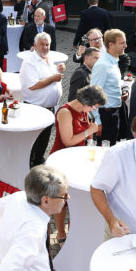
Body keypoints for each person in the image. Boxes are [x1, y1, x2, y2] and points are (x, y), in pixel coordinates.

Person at [0, 165, 68, 271]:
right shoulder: (34, 229)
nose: (67, 198)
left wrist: (4, 234)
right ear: (46, 201)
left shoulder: (19, 196)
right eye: (63, 196)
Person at [50, 86, 105, 243]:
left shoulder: (83, 110)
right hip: (61, 159)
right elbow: (67, 141)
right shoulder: (65, 112)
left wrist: (90, 141)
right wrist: (89, 131)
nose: (94, 109)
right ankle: (61, 234)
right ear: (87, 102)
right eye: (94, 106)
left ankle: (74, 229)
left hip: (77, 158)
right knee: (60, 199)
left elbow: (86, 131)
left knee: (75, 197)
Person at [20, 32, 64, 167]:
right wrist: (53, 78)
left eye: (47, 45)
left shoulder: (48, 58)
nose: (45, 47)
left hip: (48, 108)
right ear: (35, 45)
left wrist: (58, 69)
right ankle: (29, 167)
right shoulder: (29, 62)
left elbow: (47, 74)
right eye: (42, 44)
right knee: (34, 141)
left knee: (44, 140)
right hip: (35, 108)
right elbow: (33, 85)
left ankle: (38, 162)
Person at [90, 29, 128, 145]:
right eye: (122, 43)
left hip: (114, 112)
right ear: (111, 45)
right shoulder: (103, 65)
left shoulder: (114, 61)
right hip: (105, 116)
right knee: (104, 152)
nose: (125, 46)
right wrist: (98, 121)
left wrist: (122, 92)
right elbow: (93, 94)